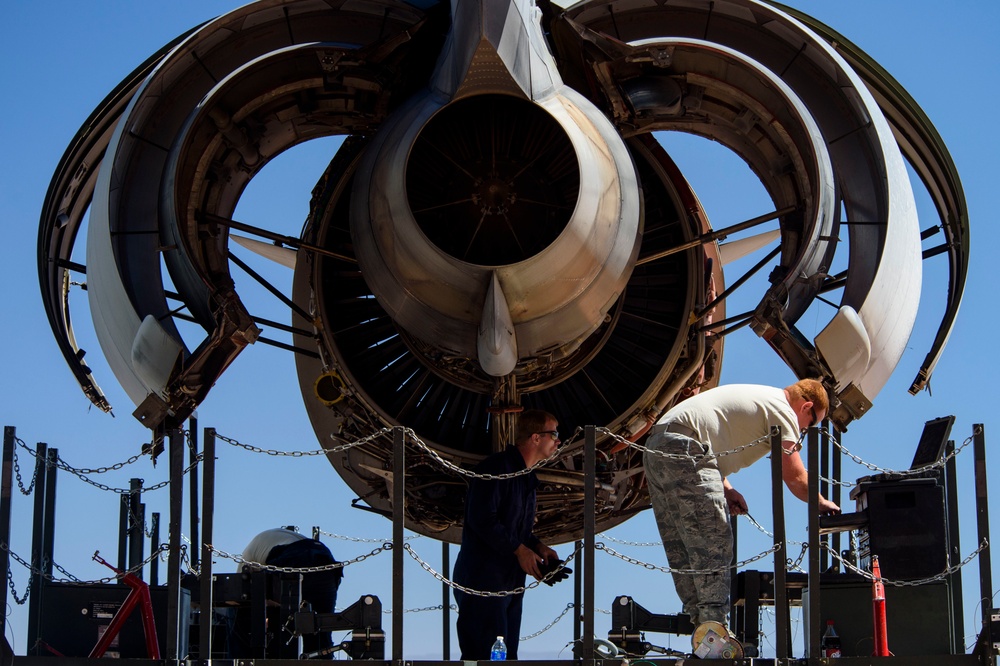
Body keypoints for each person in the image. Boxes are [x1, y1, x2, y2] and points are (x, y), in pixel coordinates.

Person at [643, 379, 840, 631]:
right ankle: (714, 630)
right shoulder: (783, 409)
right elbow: (795, 476)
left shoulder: (763, 396)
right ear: (806, 407)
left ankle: (701, 629)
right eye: (811, 423)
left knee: (681, 544)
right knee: (714, 542)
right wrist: (823, 503)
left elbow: (709, 436)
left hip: (658, 448)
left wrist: (727, 489)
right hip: (688, 449)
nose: (804, 429)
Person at [453, 409, 562, 659]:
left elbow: (515, 529)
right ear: (536, 438)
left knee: (505, 656)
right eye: (553, 433)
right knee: (482, 654)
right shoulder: (496, 468)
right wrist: (520, 550)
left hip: (509, 581)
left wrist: (537, 547)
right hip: (483, 579)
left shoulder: (527, 477)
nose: (558, 441)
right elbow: (482, 519)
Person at [234, 527, 343, 658]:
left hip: (294, 557)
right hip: (325, 560)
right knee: (319, 631)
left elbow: (241, 595)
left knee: (275, 627)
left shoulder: (248, 556)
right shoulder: (278, 537)